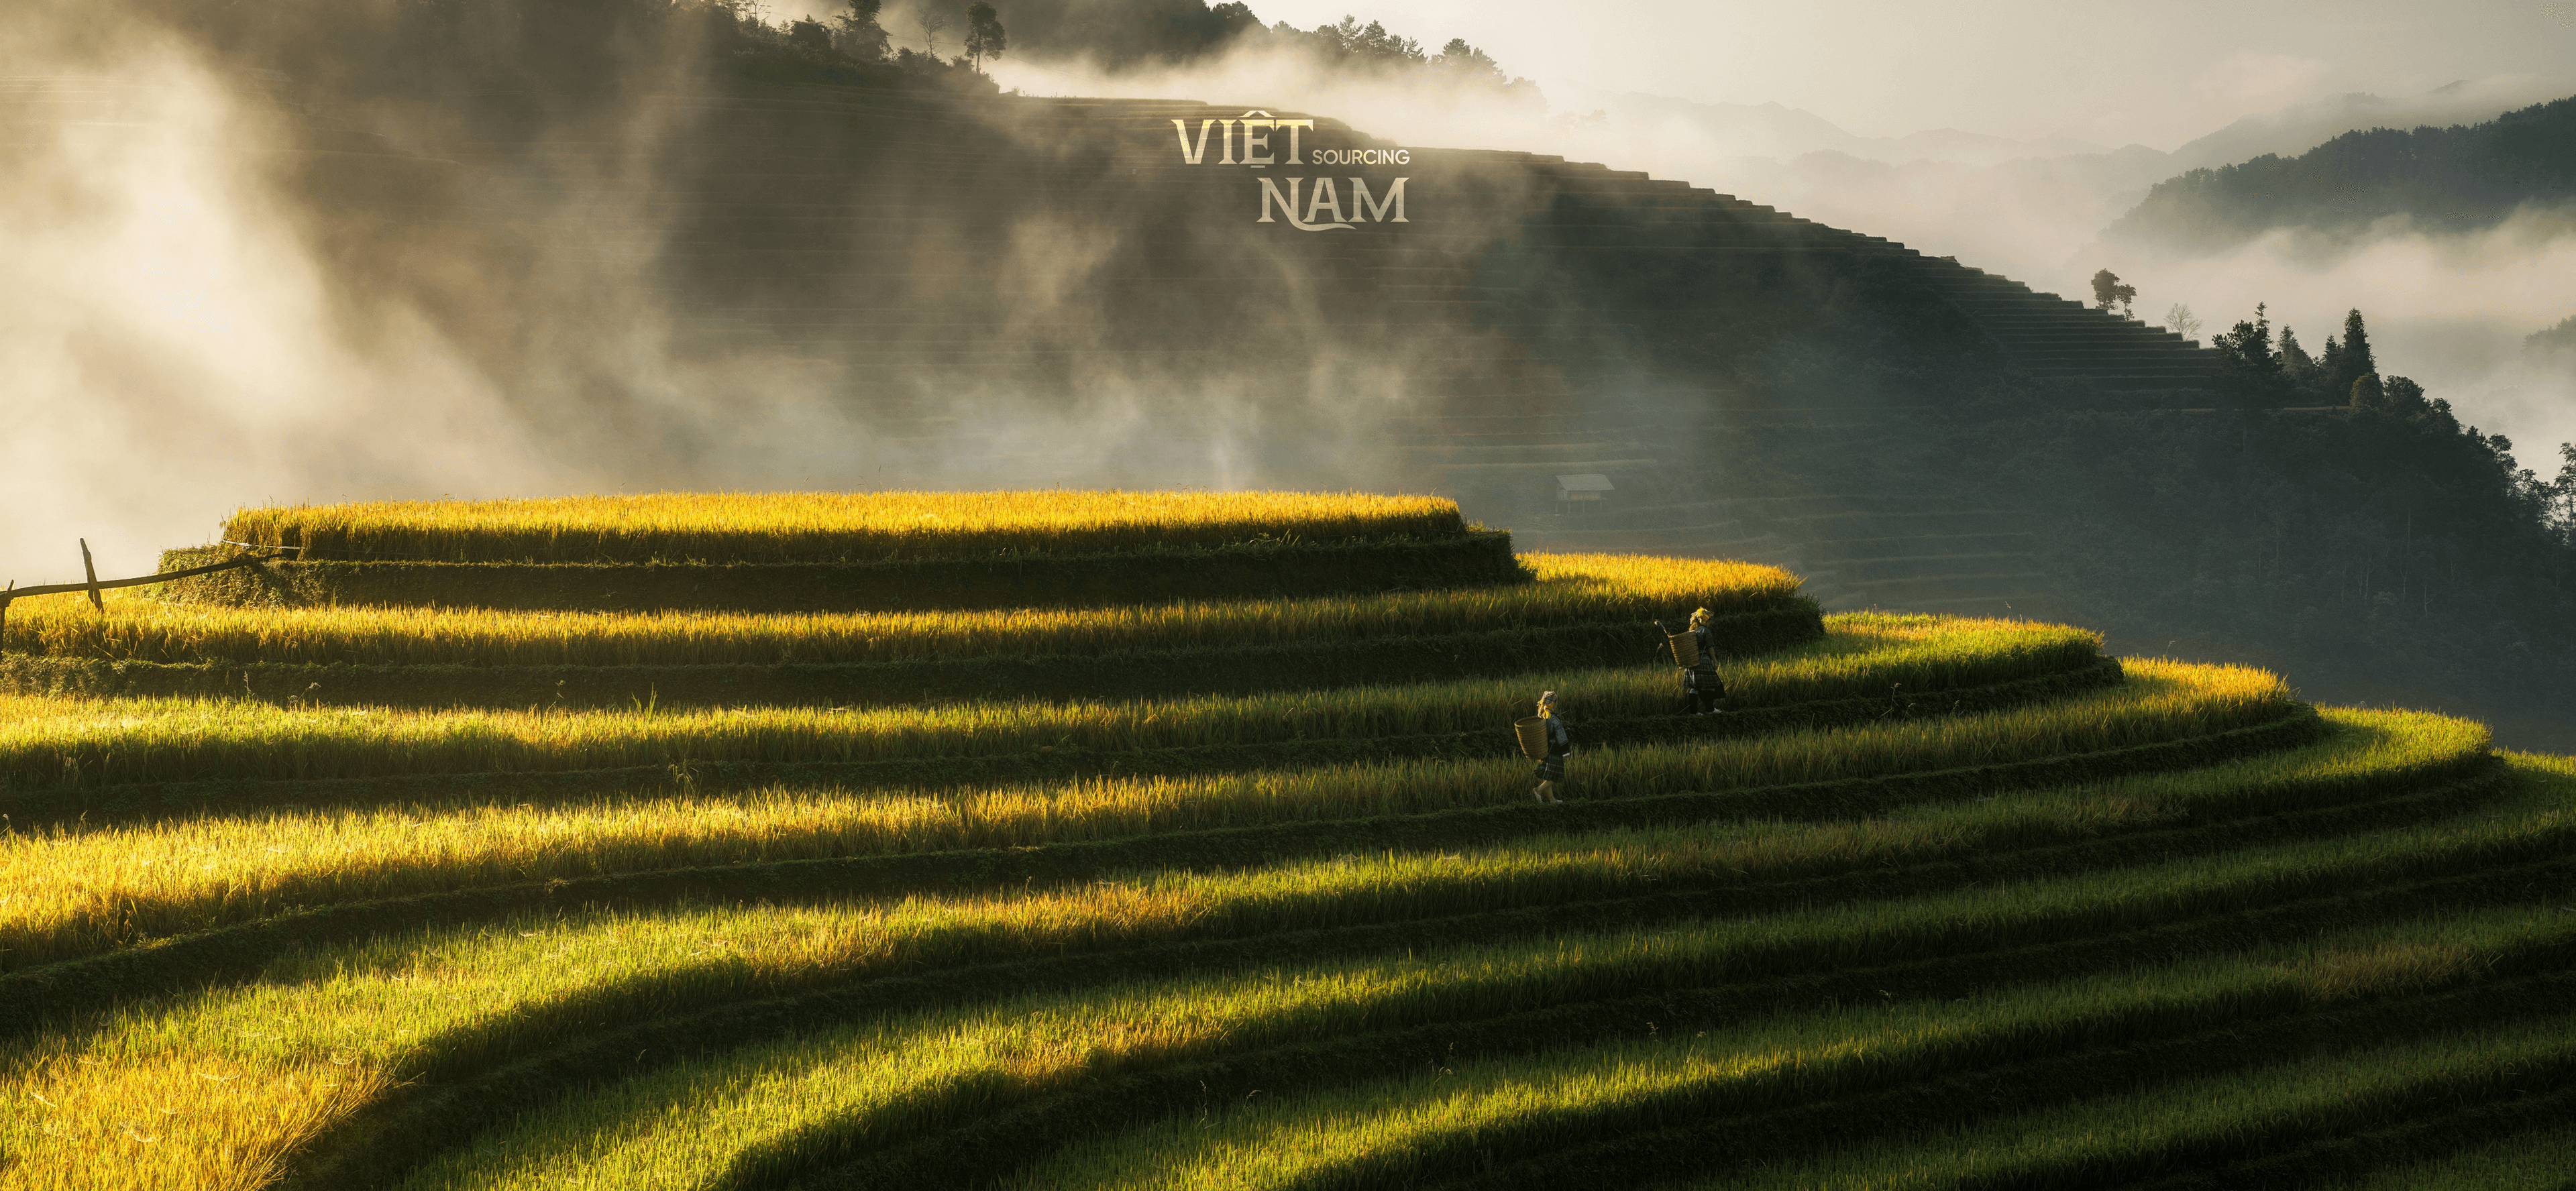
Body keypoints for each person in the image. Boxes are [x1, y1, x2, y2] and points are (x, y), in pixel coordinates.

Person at [1665, 606, 1727, 716]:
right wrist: (1715, 661)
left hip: (1692, 661)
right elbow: (1710, 647)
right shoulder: (1706, 631)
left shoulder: (1692, 631)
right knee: (1710, 684)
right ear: (1707, 620)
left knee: (1694, 686)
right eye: (1710, 620)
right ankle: (1710, 709)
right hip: (1704, 660)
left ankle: (1694, 712)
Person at [1531, 689, 1570, 803]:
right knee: (1555, 774)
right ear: (1553, 703)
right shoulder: (1554, 719)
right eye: (1557, 701)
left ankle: (1552, 800)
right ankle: (1538, 790)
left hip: (1545, 749)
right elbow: (1561, 736)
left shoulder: (1542, 717)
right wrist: (1566, 752)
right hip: (1555, 750)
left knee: (1548, 775)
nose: (1558, 703)